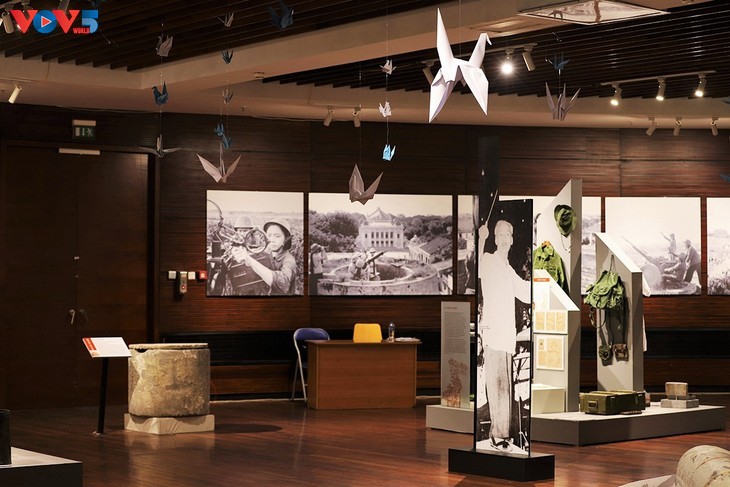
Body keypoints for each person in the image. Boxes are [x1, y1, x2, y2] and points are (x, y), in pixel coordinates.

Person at [477, 219, 531, 453]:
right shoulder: (489, 260)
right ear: (495, 238)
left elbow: (525, 293)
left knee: (506, 387)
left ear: (512, 239)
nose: (504, 239)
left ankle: (503, 435)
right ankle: (497, 435)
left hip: (506, 335)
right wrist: (481, 239)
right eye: (499, 235)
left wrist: (544, 283)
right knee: (496, 384)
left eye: (508, 235)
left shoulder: (508, 269)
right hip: (493, 333)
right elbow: (478, 268)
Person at [232, 218, 297, 295]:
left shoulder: (289, 260)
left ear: (286, 239)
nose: (271, 240)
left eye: (277, 236)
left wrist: (249, 260)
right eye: (269, 235)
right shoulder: (267, 252)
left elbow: (282, 284)